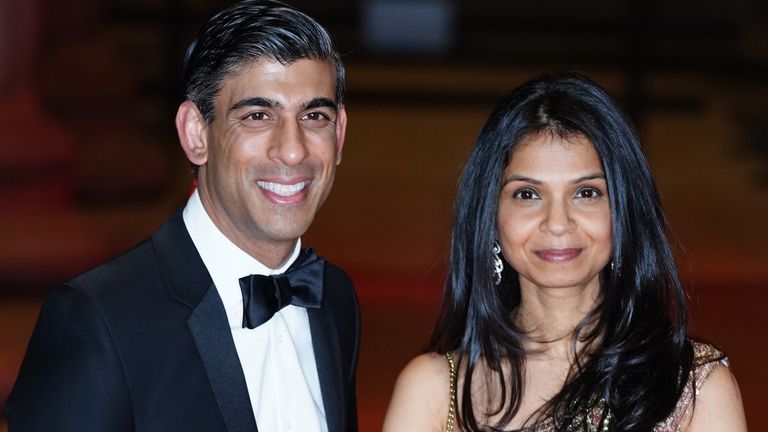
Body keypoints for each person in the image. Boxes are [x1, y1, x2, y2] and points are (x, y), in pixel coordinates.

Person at [7, 1, 359, 431]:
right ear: (196, 134)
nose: (292, 149)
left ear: (338, 134)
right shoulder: (98, 319)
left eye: (314, 116)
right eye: (257, 115)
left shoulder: (335, 300)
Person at [383, 72, 746, 432]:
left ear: (623, 212)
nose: (557, 223)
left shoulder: (692, 389)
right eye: (527, 194)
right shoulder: (434, 391)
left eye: (586, 193)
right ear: (491, 217)